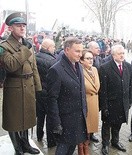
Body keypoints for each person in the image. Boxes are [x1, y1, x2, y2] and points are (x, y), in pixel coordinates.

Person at [0, 12, 42, 155]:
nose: (22, 28)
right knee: (14, 119)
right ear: (10, 28)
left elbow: (33, 66)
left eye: (24, 25)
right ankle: (17, 148)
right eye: (18, 26)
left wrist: (38, 86)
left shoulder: (27, 44)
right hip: (14, 87)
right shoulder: (4, 46)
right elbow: (11, 65)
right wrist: (24, 48)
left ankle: (26, 144)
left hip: (29, 85)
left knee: (27, 118)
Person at [46, 37, 88, 155]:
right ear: (67, 50)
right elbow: (52, 99)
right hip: (65, 120)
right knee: (62, 150)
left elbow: (81, 90)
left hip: (78, 117)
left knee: (71, 149)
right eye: (77, 51)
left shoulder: (78, 65)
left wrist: (85, 111)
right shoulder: (56, 70)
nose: (80, 55)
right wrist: (56, 123)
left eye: (81, 51)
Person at [99, 44, 132, 155]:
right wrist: (104, 106)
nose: (122, 55)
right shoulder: (105, 68)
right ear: (113, 55)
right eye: (119, 53)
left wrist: (130, 101)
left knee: (118, 123)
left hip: (123, 102)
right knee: (107, 125)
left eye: (123, 53)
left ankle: (115, 141)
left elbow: (130, 85)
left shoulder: (128, 66)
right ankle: (105, 144)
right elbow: (103, 90)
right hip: (110, 103)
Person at [35, 38, 57, 147]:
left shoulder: (35, 56)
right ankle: (51, 142)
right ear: (48, 48)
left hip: (38, 92)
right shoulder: (52, 61)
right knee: (50, 117)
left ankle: (39, 135)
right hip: (49, 93)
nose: (54, 49)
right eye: (53, 47)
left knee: (40, 115)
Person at [78, 49, 100, 155]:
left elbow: (97, 86)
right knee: (83, 128)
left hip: (94, 103)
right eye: (87, 58)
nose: (91, 60)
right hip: (85, 103)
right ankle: (81, 148)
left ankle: (86, 146)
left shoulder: (95, 69)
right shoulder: (79, 70)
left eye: (92, 58)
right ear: (81, 60)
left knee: (90, 128)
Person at [87, 40, 102, 142]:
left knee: (94, 115)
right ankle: (86, 135)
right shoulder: (84, 60)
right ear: (90, 49)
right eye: (96, 48)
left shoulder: (100, 59)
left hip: (97, 90)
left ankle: (91, 133)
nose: (99, 49)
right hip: (89, 91)